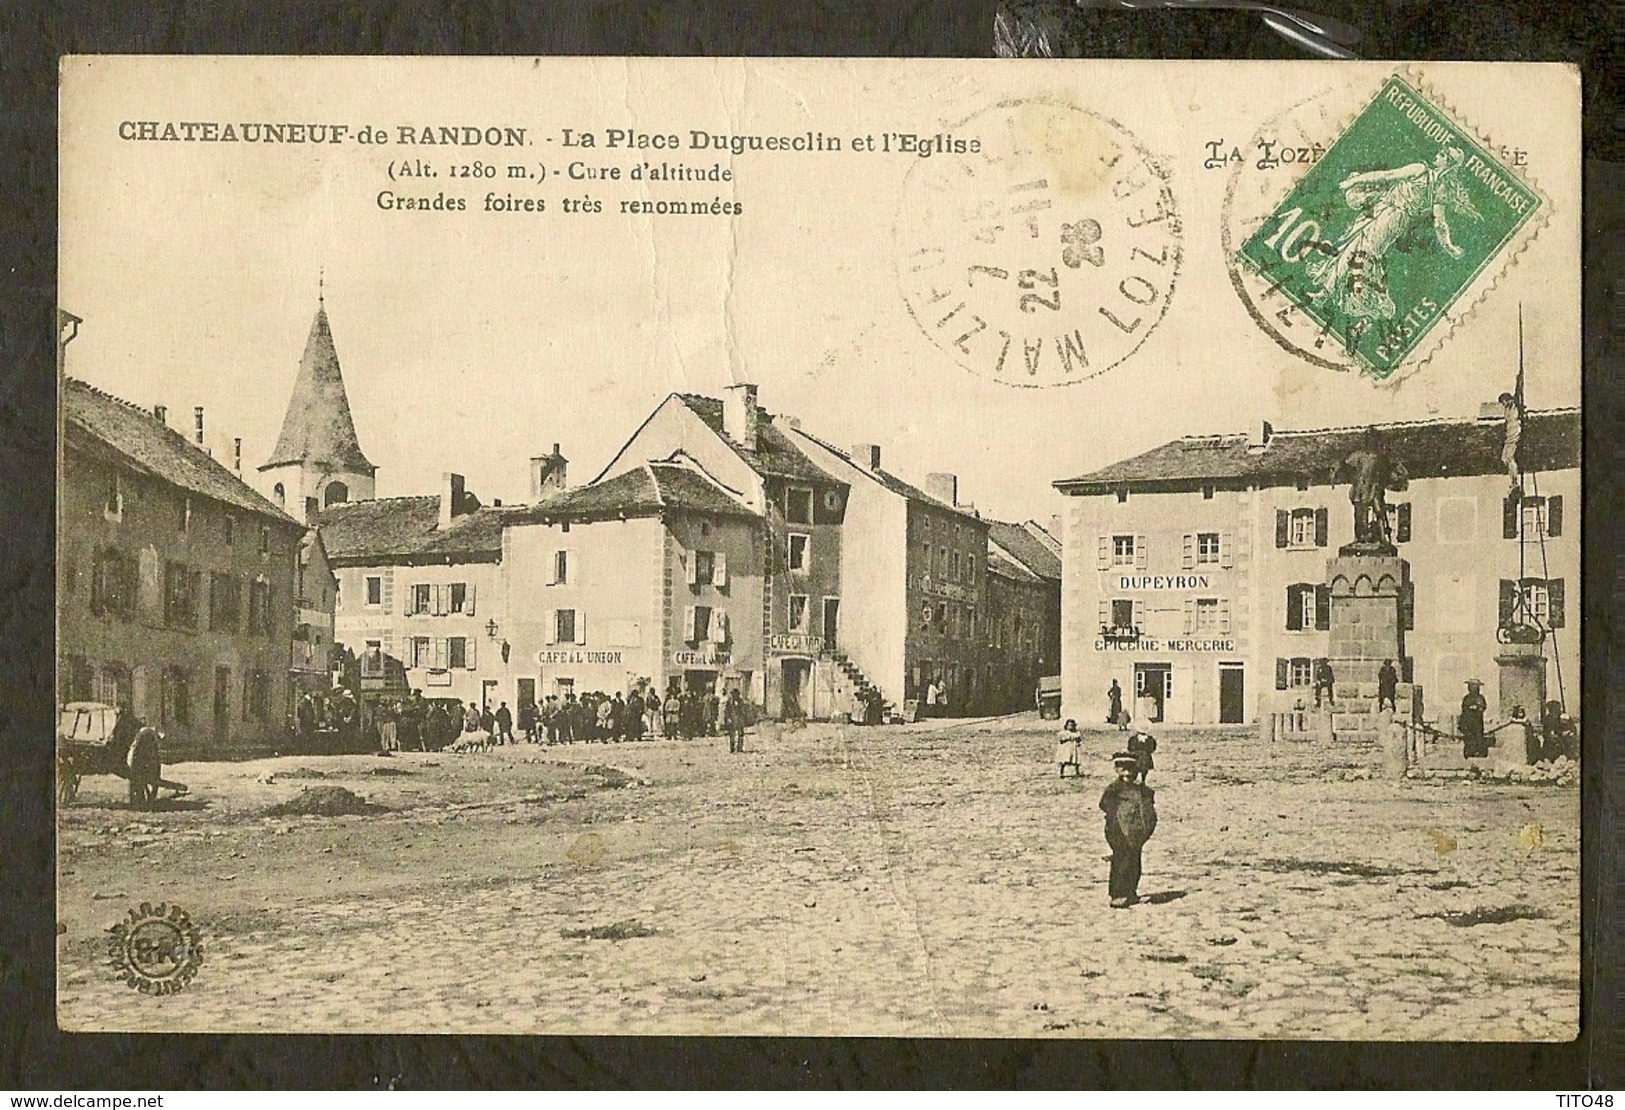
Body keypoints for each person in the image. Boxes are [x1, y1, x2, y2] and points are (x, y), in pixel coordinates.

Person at [1100, 752, 1157, 908]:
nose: (1127, 773)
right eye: (1123, 769)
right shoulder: (1114, 788)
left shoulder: (1141, 789)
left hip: (1136, 831)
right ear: (1117, 770)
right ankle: (1118, 894)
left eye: (1130, 769)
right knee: (1121, 860)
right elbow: (1104, 804)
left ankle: (1131, 892)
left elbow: (1148, 806)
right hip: (1117, 829)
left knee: (1134, 861)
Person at [126, 725, 162, 810]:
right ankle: (140, 799)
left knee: (136, 782)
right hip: (139, 761)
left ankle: (140, 800)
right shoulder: (145, 734)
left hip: (140, 763)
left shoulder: (146, 733)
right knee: (137, 782)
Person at [1459, 679, 1489, 758]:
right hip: (1468, 721)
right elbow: (1464, 708)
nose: (1473, 688)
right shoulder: (1466, 698)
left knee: (1478, 737)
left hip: (1477, 721)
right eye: (1472, 686)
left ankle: (1479, 752)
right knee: (1469, 738)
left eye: (1475, 686)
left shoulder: (1480, 697)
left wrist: (1477, 708)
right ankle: (1469, 752)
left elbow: (1483, 706)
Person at [724, 689, 747, 753]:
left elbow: (743, 711)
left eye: (735, 694)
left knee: (740, 734)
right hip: (732, 719)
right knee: (732, 734)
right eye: (732, 694)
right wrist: (728, 718)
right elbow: (726, 711)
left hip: (739, 719)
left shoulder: (740, 701)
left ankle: (739, 748)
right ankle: (732, 748)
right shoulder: (729, 701)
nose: (733, 696)